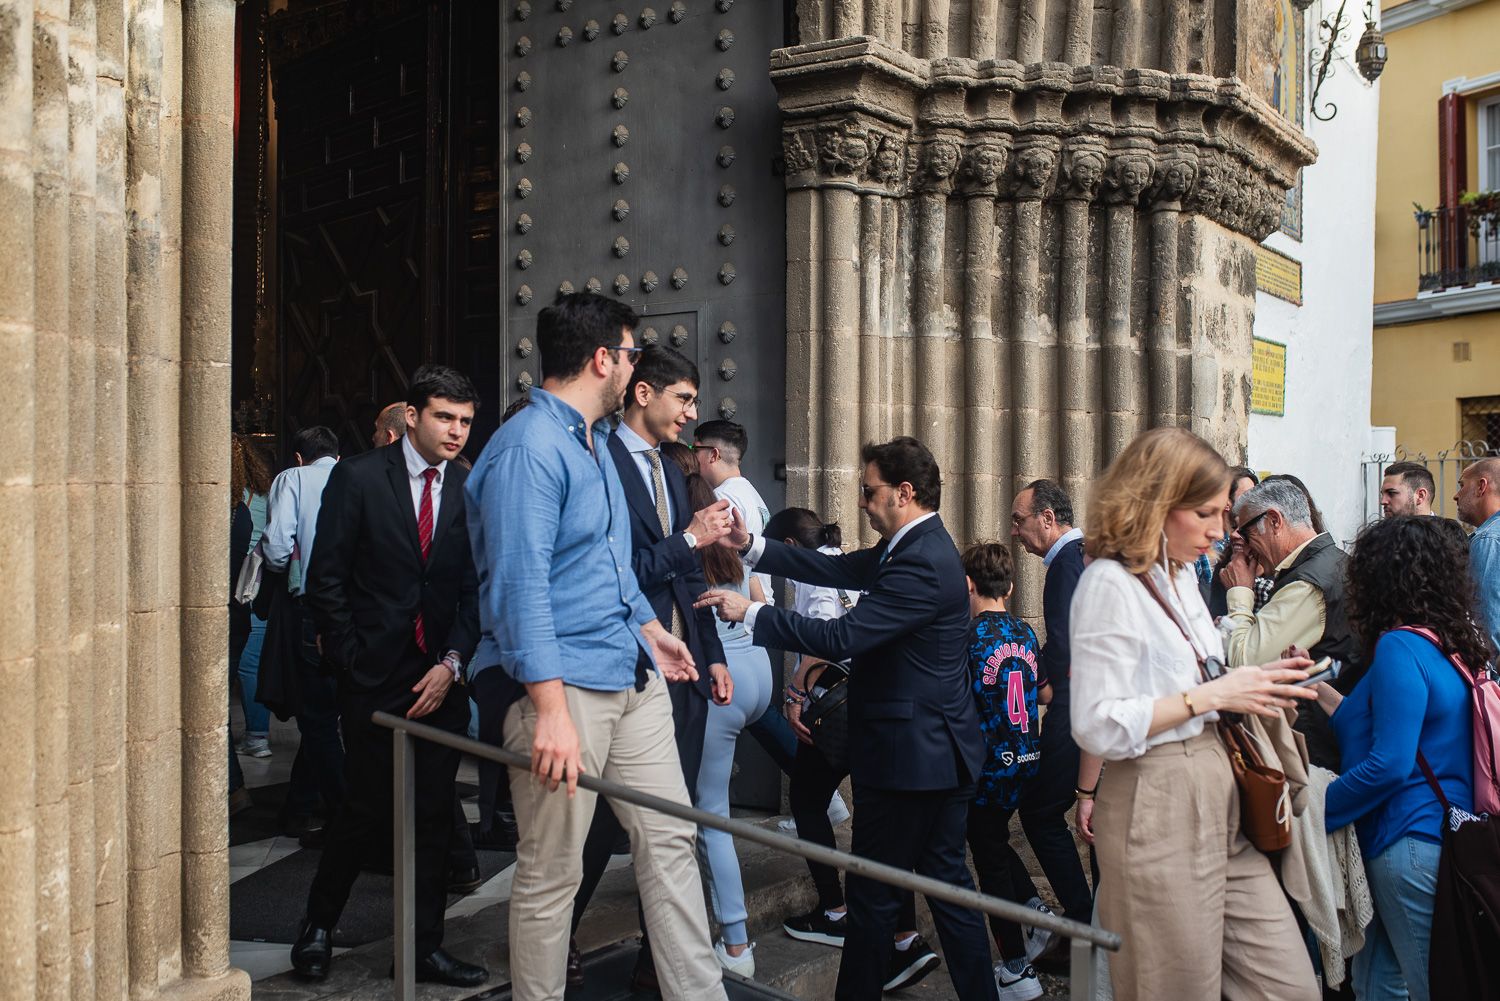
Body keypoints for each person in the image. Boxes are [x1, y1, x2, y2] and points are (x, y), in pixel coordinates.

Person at [466, 292, 728, 1001]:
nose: (635, 367)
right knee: (554, 871)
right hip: (564, 688)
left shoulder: (590, 441)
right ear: (604, 358)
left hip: (628, 673)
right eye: (633, 353)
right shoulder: (527, 448)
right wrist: (547, 708)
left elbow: (607, 566)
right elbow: (521, 586)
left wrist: (653, 631)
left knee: (671, 839)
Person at [697, 437, 995, 1001]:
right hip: (933, 754)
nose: (861, 500)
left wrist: (755, 611)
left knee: (875, 897)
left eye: (869, 490)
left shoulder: (923, 561)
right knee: (947, 893)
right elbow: (843, 568)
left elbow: (842, 636)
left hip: (911, 760)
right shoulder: (912, 545)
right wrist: (753, 547)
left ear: (904, 493)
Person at [1069, 426, 1320, 1001]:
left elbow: (1197, 680)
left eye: (1223, 514)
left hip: (1221, 787)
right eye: (1206, 513)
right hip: (1157, 799)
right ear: (1156, 503)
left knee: (1291, 987)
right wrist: (1214, 696)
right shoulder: (1110, 582)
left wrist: (1258, 685)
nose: (1219, 531)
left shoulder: (1182, 577)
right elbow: (1095, 721)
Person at [289, 365, 488, 986]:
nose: (456, 432)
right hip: (374, 677)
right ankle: (317, 928)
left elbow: (470, 591)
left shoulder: (466, 488)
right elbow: (326, 579)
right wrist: (351, 661)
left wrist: (453, 663)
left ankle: (423, 947)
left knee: (433, 815)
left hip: (441, 679)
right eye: (444, 418)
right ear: (412, 417)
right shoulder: (357, 478)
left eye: (465, 422)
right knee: (364, 808)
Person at [566, 345, 734, 991]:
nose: (692, 414)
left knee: (672, 823)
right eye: (684, 399)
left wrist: (713, 655)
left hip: (681, 670)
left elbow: (690, 572)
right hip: (618, 666)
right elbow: (618, 575)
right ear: (643, 393)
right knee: (599, 827)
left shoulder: (669, 465)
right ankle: (564, 937)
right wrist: (689, 536)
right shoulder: (598, 459)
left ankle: (652, 961)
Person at [1319, 515, 1485, 1001]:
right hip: (1437, 836)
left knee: (1423, 986)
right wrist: (1324, 698)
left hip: (1407, 839)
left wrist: (1310, 813)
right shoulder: (1451, 641)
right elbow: (1397, 724)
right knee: (1378, 985)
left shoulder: (1400, 645)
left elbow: (1389, 763)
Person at [765, 507, 914, 961]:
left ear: (790, 548)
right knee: (876, 818)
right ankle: (904, 933)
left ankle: (834, 911)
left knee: (809, 802)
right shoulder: (849, 561)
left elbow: (826, 636)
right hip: (869, 702)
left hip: (836, 706)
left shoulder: (818, 573)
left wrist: (794, 692)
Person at [960, 542, 1051, 1001]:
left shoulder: (970, 636)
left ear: (968, 585)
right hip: (1025, 758)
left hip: (989, 766)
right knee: (991, 838)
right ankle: (1035, 913)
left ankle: (1017, 966)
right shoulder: (1023, 631)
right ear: (1012, 587)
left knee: (989, 857)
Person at [694, 419, 808, 784]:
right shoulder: (752, 493)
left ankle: (820, 797)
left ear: (711, 454)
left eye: (695, 450)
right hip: (753, 629)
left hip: (735, 630)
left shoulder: (722, 499)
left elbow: (738, 567)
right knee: (763, 719)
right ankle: (825, 800)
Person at [1007, 480, 1093, 943]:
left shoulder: (1066, 564)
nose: (1015, 531)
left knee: (1039, 812)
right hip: (1077, 701)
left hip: (1072, 706)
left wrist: (1028, 673)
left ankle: (1083, 919)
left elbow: (1066, 642)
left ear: (1047, 518)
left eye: (1020, 520)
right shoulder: (1073, 559)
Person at [1223, 478, 1357, 769]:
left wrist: (1241, 592)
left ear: (1274, 521)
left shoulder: (1308, 584)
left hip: (1315, 753)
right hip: (1329, 742)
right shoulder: (1329, 563)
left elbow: (1246, 664)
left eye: (1245, 531)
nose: (1240, 541)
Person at [260, 425, 346, 839]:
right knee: (329, 711)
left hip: (310, 608)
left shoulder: (292, 478)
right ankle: (299, 805)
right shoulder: (357, 475)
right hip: (356, 610)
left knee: (317, 717)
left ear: (299, 457)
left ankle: (347, 815)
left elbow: (277, 547)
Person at [230, 434, 275, 761]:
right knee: (253, 662)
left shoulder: (233, 498)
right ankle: (257, 735)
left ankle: (255, 736)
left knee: (243, 664)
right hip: (263, 583)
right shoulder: (266, 493)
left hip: (239, 584)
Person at [1455, 456, 1500, 651]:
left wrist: (1490, 679)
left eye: (1462, 485)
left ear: (1482, 486)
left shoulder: (1488, 540)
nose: (1456, 495)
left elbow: (1486, 624)